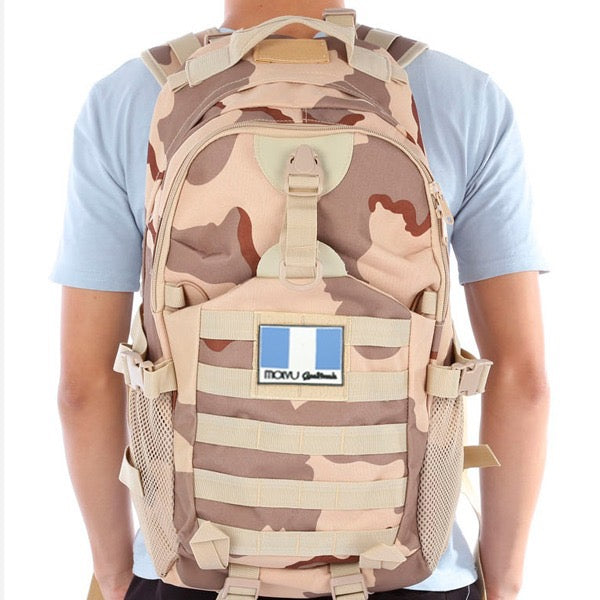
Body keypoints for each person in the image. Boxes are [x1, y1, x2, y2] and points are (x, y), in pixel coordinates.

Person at [52, 1, 550, 599]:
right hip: (409, 566)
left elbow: (84, 388)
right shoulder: (464, 97)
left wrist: (114, 576)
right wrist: (504, 582)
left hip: (193, 563)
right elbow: (522, 380)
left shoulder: (129, 98)